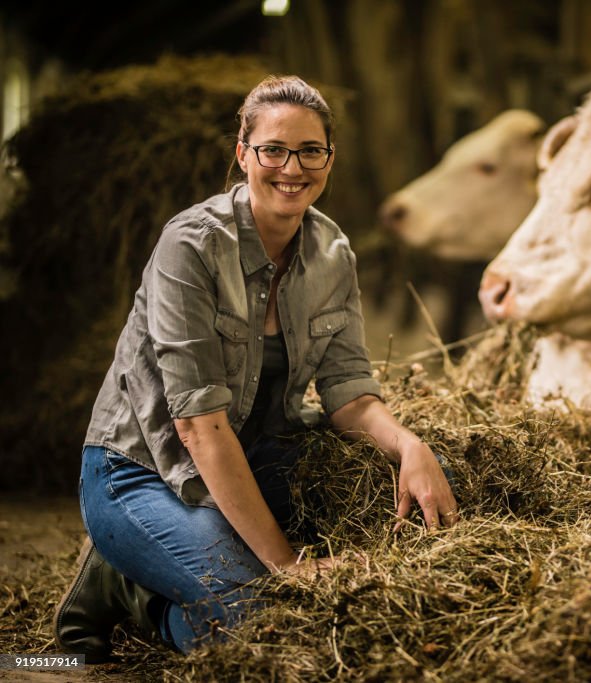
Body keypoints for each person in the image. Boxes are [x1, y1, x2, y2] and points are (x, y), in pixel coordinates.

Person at [54, 75, 458, 660]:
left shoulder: (332, 252)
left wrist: (412, 446)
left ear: (329, 159)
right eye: (273, 149)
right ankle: (134, 593)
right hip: (144, 467)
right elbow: (198, 426)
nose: (292, 168)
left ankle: (162, 568)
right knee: (264, 619)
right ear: (243, 153)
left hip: (253, 458)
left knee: (402, 480)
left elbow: (348, 393)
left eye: (310, 151)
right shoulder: (190, 246)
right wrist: (290, 565)